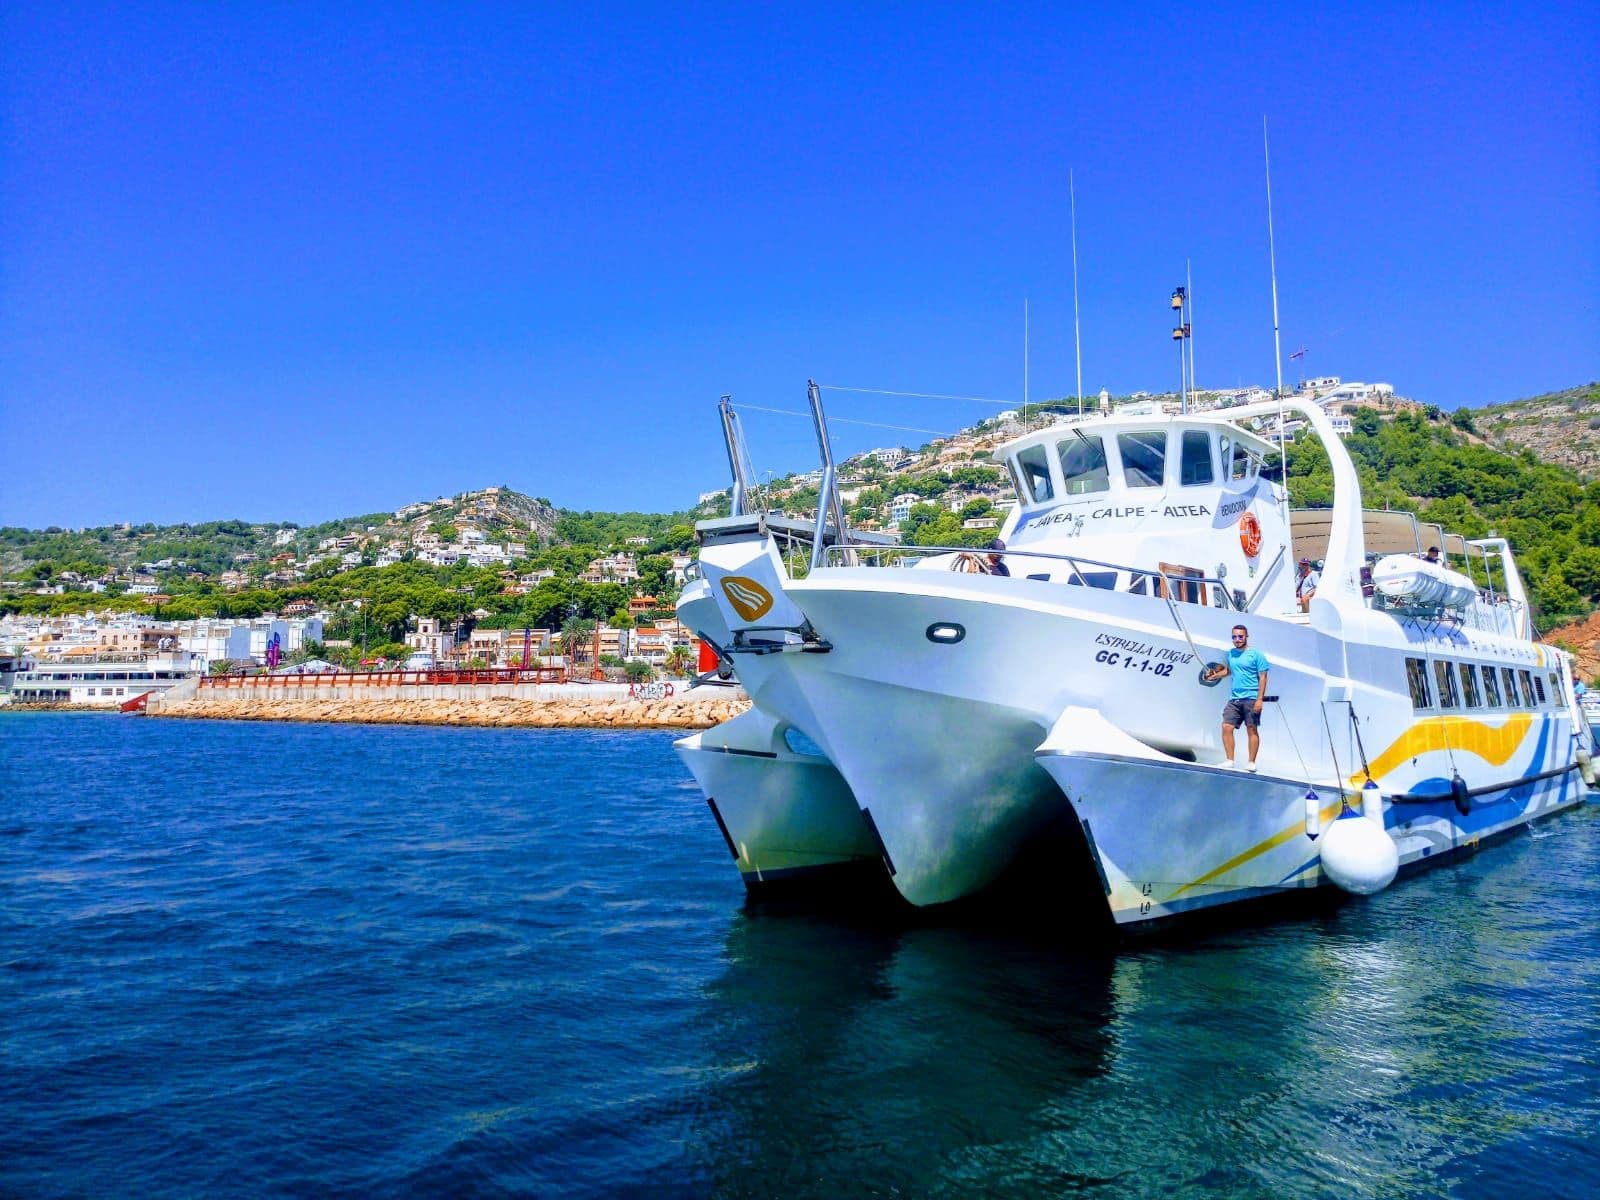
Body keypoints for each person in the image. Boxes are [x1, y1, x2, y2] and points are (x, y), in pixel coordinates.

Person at [1202, 624, 1270, 771]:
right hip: (1235, 698)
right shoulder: (1231, 653)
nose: (1237, 639)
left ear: (1246, 636)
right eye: (1234, 637)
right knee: (1226, 727)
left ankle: (1251, 762)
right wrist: (1215, 676)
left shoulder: (1256, 654)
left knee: (1251, 729)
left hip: (1251, 697)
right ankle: (1230, 760)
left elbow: (1263, 677)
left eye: (1240, 636)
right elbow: (1229, 671)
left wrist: (1259, 699)